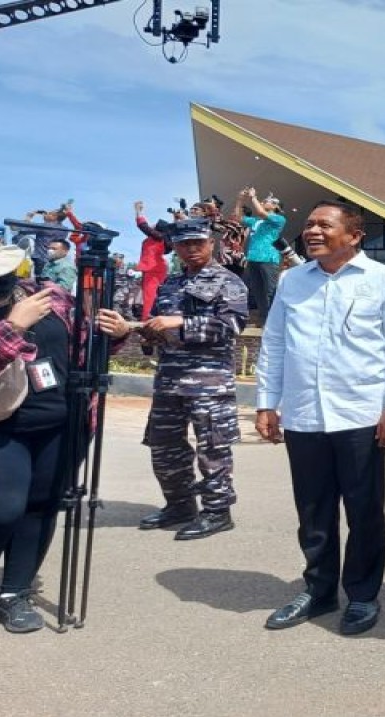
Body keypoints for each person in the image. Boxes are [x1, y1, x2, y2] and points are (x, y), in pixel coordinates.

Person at [0, 232, 123, 649]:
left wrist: (113, 333)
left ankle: (14, 594)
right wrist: (14, 325)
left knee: (42, 508)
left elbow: (85, 349)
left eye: (0, 271)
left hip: (64, 423)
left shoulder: (50, 295)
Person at [255, 200, 385, 636]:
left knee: (363, 511)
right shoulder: (292, 282)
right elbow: (273, 345)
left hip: (361, 415)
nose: (311, 231)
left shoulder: (383, 281)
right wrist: (267, 403)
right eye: (308, 225)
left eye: (323, 225)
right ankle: (319, 589)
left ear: (354, 235)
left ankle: (362, 595)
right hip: (305, 415)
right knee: (313, 510)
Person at [112, 219, 249, 541]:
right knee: (163, 445)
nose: (191, 249)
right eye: (184, 244)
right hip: (170, 378)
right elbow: (161, 328)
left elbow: (231, 325)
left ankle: (217, 511)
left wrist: (180, 321)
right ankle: (179, 504)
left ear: (211, 243)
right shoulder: (170, 283)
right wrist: (145, 333)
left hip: (208, 381)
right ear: (174, 246)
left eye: (198, 242)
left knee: (212, 448)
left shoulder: (228, 281)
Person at [232, 188, 286, 322]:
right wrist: (240, 200)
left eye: (266, 201)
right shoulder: (256, 220)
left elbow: (261, 212)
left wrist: (253, 197)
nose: (262, 202)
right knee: (258, 292)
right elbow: (238, 218)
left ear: (275, 206)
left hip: (268, 258)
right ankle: (265, 320)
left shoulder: (279, 219)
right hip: (253, 258)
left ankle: (277, 320)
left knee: (270, 290)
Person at [134, 200, 173, 322]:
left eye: (154, 224)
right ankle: (150, 318)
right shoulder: (156, 238)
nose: (152, 225)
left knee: (149, 295)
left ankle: (147, 320)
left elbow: (142, 226)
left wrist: (138, 211)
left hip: (153, 269)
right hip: (154, 268)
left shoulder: (158, 237)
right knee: (150, 294)